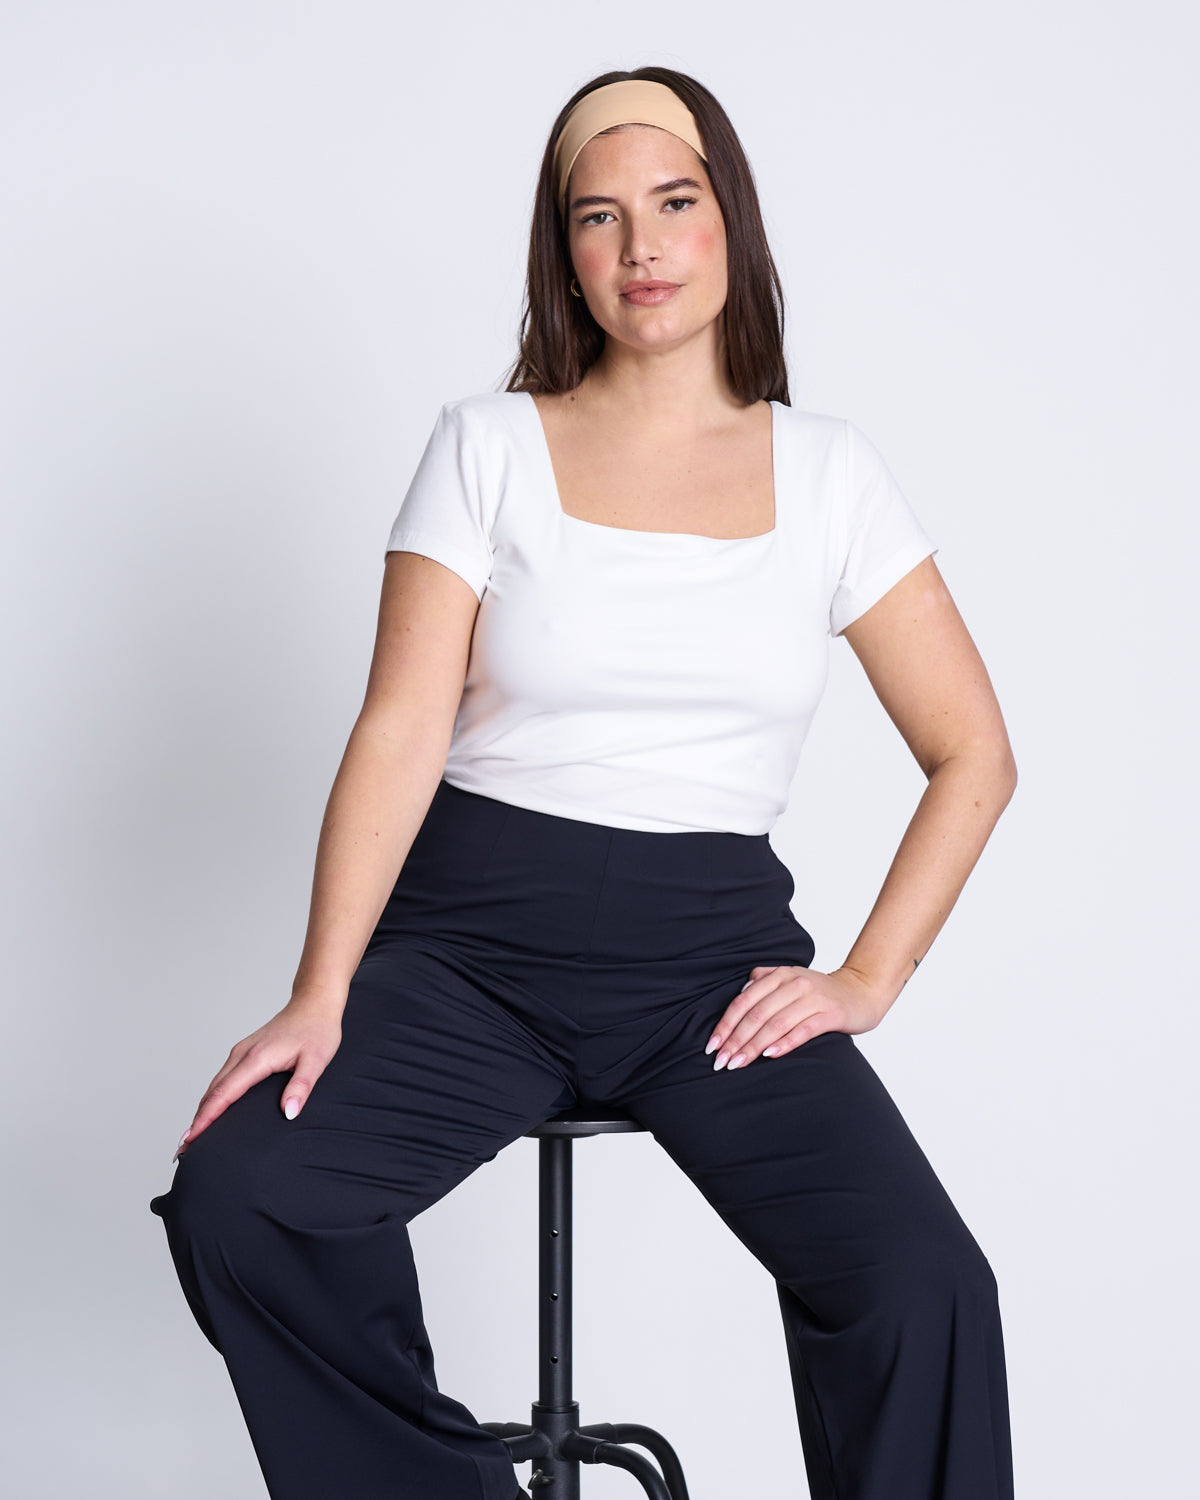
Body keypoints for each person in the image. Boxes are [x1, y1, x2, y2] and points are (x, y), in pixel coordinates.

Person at [150, 66, 1018, 1500]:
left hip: (708, 975)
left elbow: (972, 751)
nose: (641, 250)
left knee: (924, 1285)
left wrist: (868, 978)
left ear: (729, 220)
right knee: (244, 1202)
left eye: (674, 205)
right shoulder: (486, 447)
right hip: (471, 955)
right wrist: (322, 990)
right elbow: (398, 731)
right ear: (565, 254)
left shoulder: (831, 475)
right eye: (597, 219)